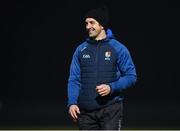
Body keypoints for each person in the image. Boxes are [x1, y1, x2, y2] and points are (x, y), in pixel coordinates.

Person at [67, 6, 137, 130]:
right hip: (86, 112)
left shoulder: (118, 48)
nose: (88, 26)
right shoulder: (80, 50)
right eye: (86, 23)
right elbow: (74, 79)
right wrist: (72, 103)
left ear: (102, 25)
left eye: (92, 22)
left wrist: (111, 87)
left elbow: (131, 76)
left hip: (111, 110)